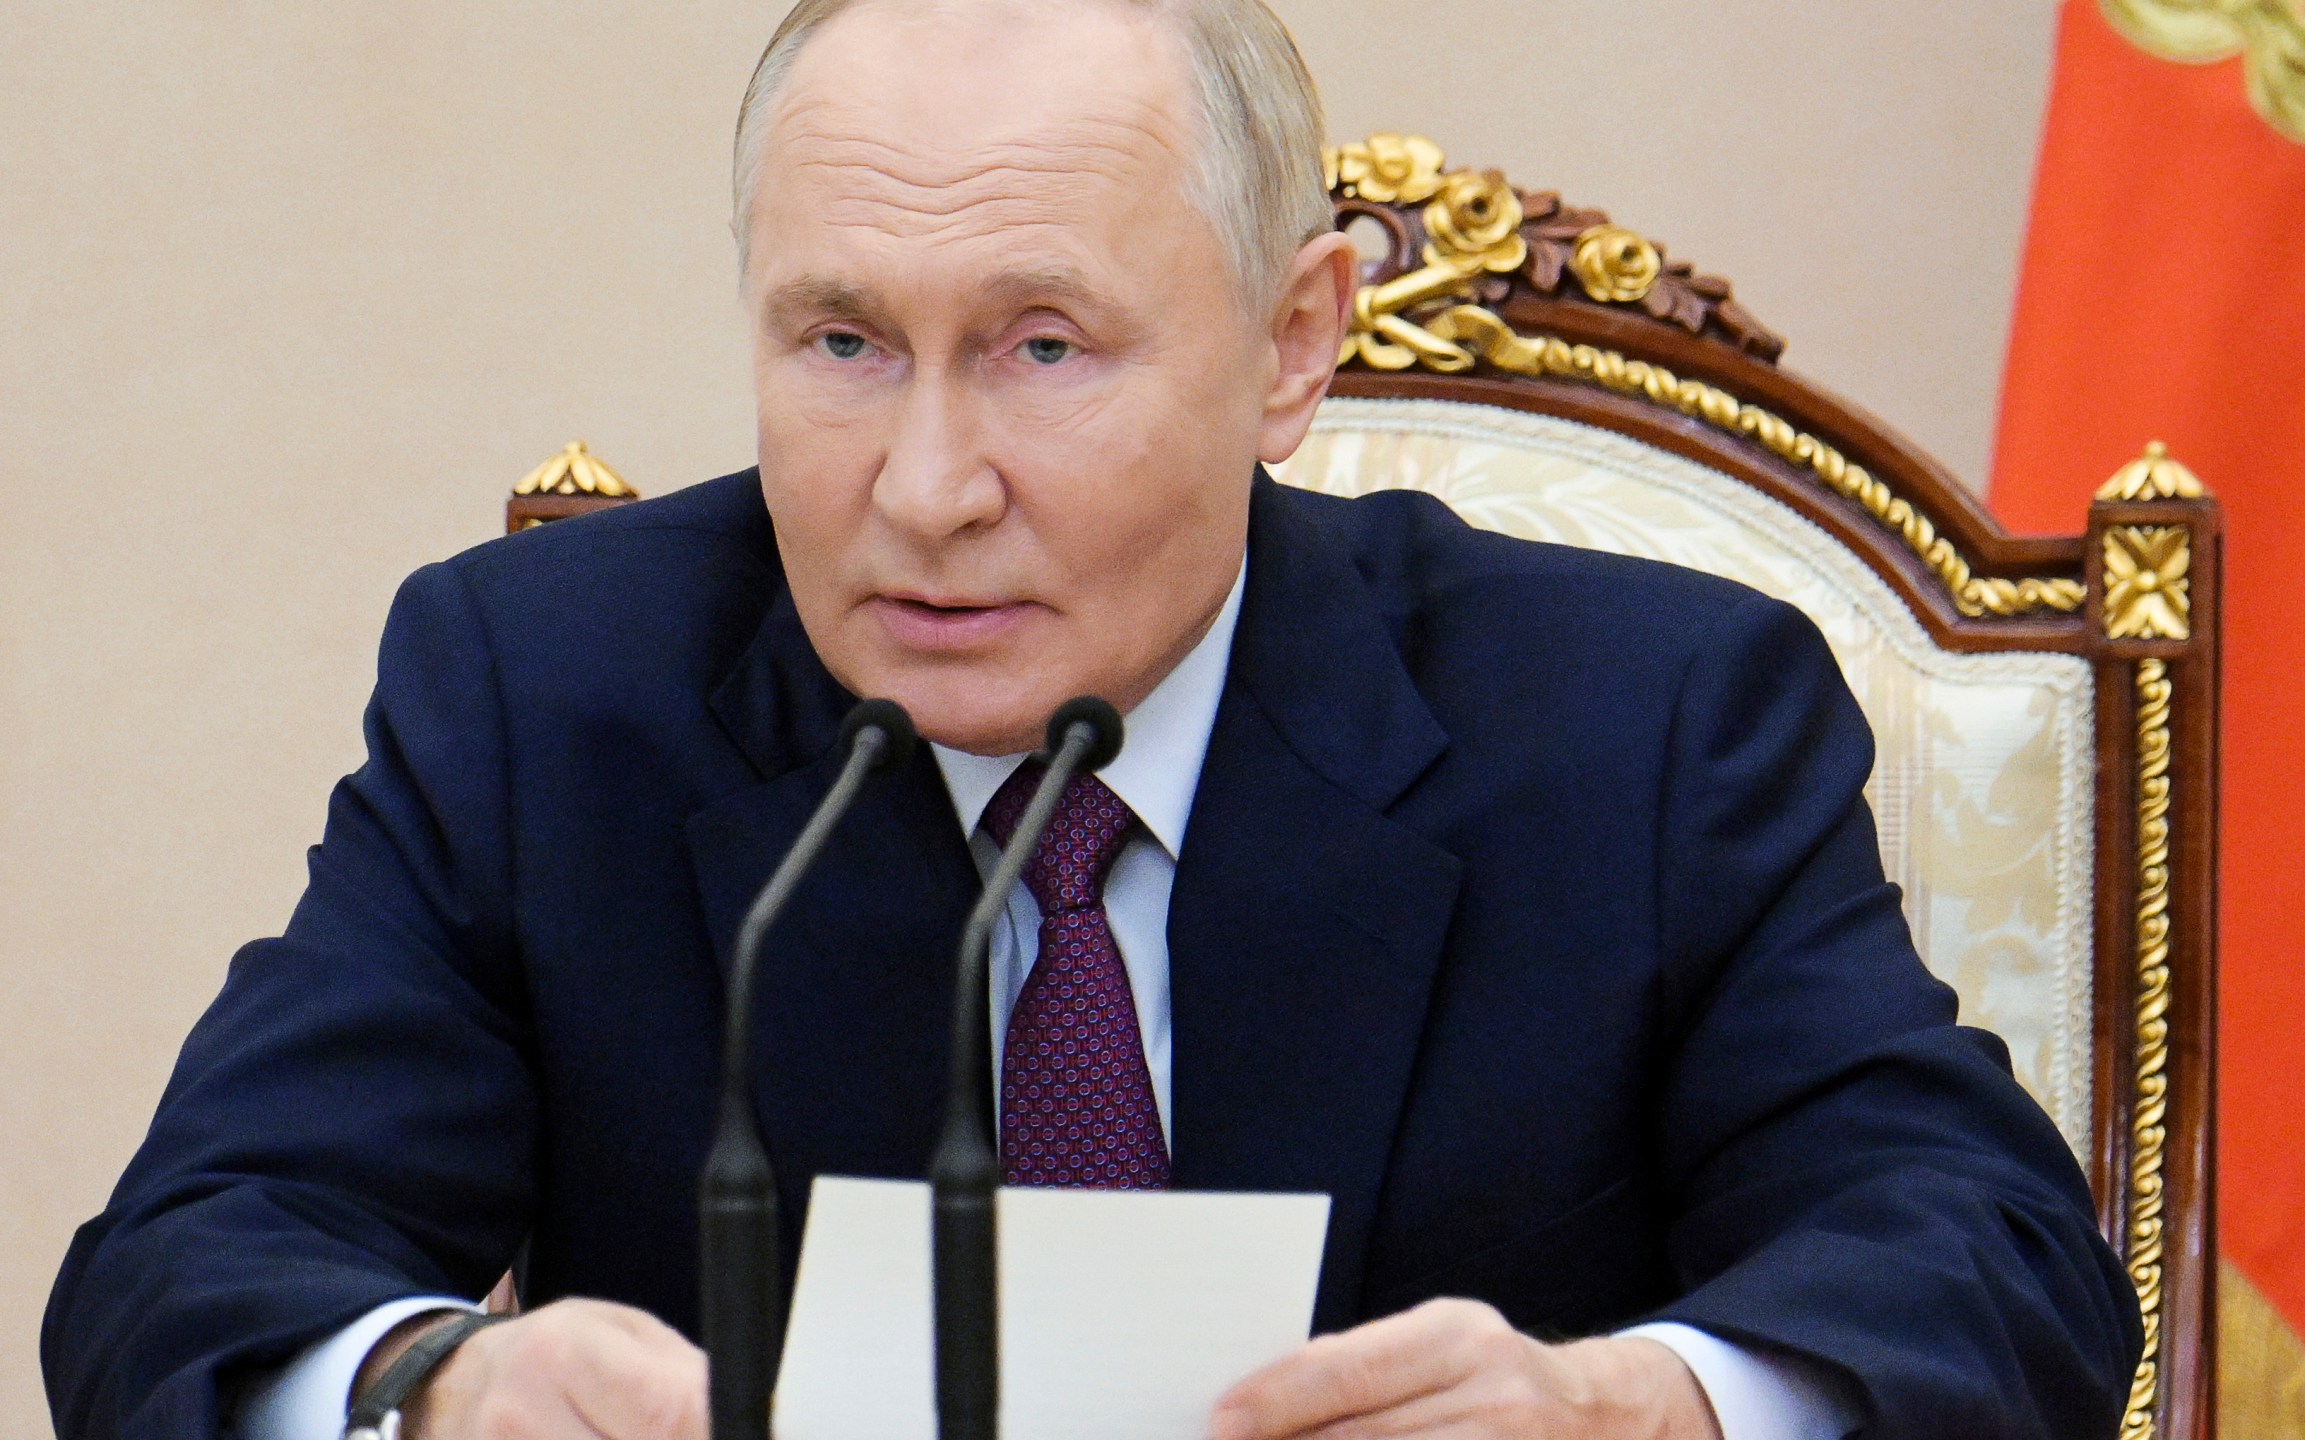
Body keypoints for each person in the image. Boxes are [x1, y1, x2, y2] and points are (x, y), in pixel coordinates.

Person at [42, 1, 2140, 1437]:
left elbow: (1994, 1262)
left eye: (1044, 347)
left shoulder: (1649, 722)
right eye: (844, 341)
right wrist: (432, 1385)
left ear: (1289, 345)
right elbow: (187, 1268)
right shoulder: (546, 693)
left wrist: (1653, 1399)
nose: (928, 488)